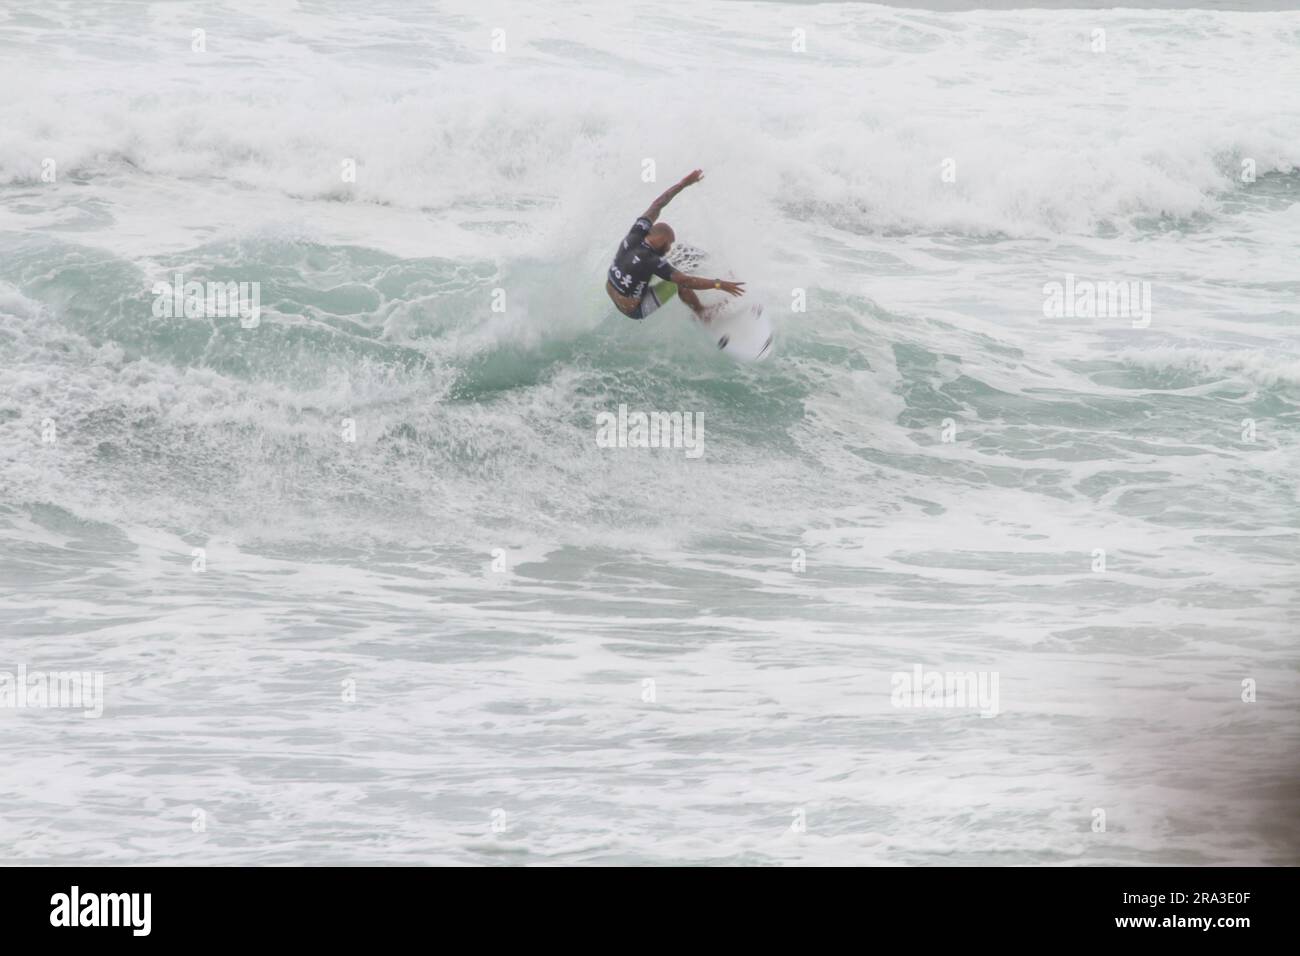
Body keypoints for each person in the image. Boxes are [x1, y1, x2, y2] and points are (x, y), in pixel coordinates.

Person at [605, 169, 745, 321]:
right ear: (662, 241)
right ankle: (701, 312)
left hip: (613, 288)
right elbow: (686, 281)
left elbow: (657, 205)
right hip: (635, 309)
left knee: (679, 255)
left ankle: (717, 266)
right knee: (681, 274)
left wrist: (683, 184)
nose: (670, 248)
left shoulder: (637, 232)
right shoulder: (650, 260)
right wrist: (718, 284)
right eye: (669, 244)